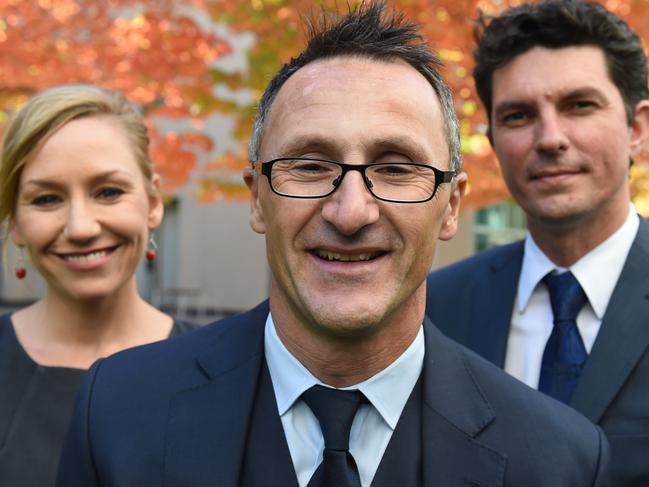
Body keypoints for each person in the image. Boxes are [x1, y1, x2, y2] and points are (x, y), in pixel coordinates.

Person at [57, 4, 609, 486]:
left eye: (395, 169)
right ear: (256, 199)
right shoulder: (118, 412)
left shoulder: (560, 461)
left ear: (453, 205)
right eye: (311, 165)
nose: (350, 212)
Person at [425, 1, 649, 485]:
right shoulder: (433, 311)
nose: (550, 138)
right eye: (519, 115)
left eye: (579, 106)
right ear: (494, 140)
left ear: (637, 129)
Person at [0, 84, 197, 486]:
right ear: (16, 223)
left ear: (153, 203)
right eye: (47, 199)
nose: (81, 228)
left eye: (108, 192)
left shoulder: (223, 375)